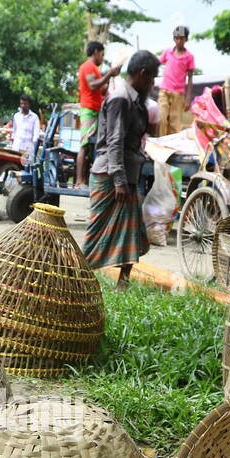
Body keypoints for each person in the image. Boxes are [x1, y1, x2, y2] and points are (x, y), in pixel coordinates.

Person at [83, 49, 159, 289]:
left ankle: (123, 283)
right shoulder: (120, 98)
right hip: (110, 174)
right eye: (152, 78)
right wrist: (118, 180)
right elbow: (114, 141)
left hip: (130, 174)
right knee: (95, 235)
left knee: (132, 232)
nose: (153, 83)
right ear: (142, 74)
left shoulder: (137, 100)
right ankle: (76, 278)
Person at [75, 41, 120, 187]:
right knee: (85, 144)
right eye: (102, 54)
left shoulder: (94, 68)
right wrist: (109, 74)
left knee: (91, 146)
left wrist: (107, 84)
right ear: (95, 52)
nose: (102, 57)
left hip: (96, 109)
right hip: (89, 109)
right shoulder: (88, 66)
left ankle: (85, 180)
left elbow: (99, 88)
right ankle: (79, 181)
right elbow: (93, 85)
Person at [157, 25, 196, 136]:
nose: (179, 40)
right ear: (174, 38)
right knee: (161, 119)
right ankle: (160, 144)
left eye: (181, 38)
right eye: (177, 38)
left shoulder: (189, 57)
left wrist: (188, 99)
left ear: (186, 39)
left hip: (178, 94)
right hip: (164, 91)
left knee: (174, 123)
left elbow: (190, 78)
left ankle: (172, 147)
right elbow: (157, 63)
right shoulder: (168, 52)